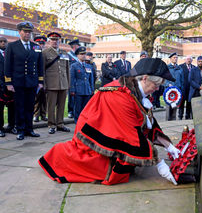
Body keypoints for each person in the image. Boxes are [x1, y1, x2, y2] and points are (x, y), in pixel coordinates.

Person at [38, 58, 180, 186]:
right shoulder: (120, 96)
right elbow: (132, 136)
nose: (157, 88)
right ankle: (56, 156)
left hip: (110, 131)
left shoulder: (135, 91)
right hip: (92, 142)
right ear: (144, 78)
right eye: (156, 84)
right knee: (107, 171)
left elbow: (148, 124)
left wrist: (169, 146)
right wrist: (159, 164)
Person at [4, 21, 43, 140]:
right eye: (25, 32)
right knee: (19, 106)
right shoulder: (12, 46)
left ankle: (29, 129)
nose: (27, 34)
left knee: (30, 106)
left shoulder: (36, 46)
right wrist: (9, 82)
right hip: (18, 82)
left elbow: (40, 65)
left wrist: (40, 81)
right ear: (19, 32)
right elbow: (7, 65)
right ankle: (20, 130)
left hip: (32, 82)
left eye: (29, 32)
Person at [43, 32, 71, 134]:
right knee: (51, 105)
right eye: (52, 40)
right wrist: (44, 84)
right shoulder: (45, 53)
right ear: (49, 41)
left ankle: (60, 124)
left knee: (62, 105)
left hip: (63, 83)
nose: (55, 42)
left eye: (56, 40)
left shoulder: (64, 53)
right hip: (51, 83)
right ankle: (51, 124)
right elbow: (42, 69)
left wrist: (68, 83)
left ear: (59, 41)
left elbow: (67, 69)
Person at [70, 46, 94, 123]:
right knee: (78, 108)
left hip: (87, 90)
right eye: (81, 54)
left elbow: (91, 79)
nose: (84, 55)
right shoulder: (74, 66)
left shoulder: (88, 66)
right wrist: (72, 89)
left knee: (86, 108)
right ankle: (77, 122)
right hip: (78, 90)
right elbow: (72, 79)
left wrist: (92, 89)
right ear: (77, 55)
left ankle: (84, 122)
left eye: (84, 54)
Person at [0, 36, 16, 137]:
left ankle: (11, 126)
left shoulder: (11, 54)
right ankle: (0, 128)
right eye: (0, 41)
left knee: (13, 107)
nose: (3, 43)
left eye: (4, 41)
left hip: (12, 85)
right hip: (0, 85)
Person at [165, 52, 183, 121]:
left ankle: (173, 122)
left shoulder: (179, 68)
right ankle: (167, 123)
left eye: (176, 58)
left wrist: (180, 88)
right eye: (174, 57)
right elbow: (163, 79)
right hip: (168, 92)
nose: (175, 59)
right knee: (168, 109)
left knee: (174, 108)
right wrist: (167, 84)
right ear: (170, 59)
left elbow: (182, 80)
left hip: (176, 92)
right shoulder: (167, 68)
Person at [33, 35, 47, 123]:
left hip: (46, 78)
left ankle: (43, 114)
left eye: (42, 43)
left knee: (44, 98)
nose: (41, 45)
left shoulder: (46, 52)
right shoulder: (33, 51)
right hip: (36, 78)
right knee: (36, 98)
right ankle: (36, 115)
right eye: (39, 43)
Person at [67, 39, 80, 118]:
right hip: (71, 78)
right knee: (71, 95)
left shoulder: (78, 56)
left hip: (78, 79)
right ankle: (70, 111)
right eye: (78, 45)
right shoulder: (68, 55)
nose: (79, 47)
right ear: (74, 46)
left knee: (77, 96)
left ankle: (76, 111)